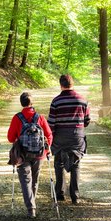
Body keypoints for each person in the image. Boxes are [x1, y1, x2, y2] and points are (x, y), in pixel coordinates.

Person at [7, 92, 53, 218]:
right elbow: (49, 135)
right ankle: (32, 203)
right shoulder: (40, 117)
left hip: (22, 155)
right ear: (32, 103)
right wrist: (47, 150)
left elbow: (10, 138)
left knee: (26, 181)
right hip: (39, 154)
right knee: (35, 180)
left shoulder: (17, 118)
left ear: (21, 103)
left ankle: (31, 208)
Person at [47, 75, 90, 204]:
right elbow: (87, 121)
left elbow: (51, 123)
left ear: (61, 85)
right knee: (76, 165)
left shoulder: (56, 101)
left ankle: (60, 194)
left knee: (59, 163)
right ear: (73, 84)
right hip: (77, 136)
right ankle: (75, 196)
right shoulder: (82, 100)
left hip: (60, 136)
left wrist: (51, 139)